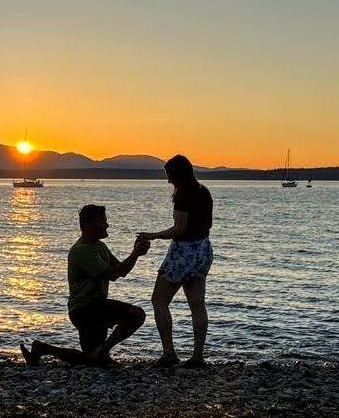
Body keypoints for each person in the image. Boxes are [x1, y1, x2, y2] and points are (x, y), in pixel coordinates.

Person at [20, 204, 150, 366]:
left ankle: (42, 348)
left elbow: (120, 273)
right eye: (102, 222)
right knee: (136, 315)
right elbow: (112, 274)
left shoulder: (100, 246)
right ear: (88, 225)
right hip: (86, 310)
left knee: (90, 360)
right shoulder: (82, 250)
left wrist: (136, 254)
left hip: (94, 308)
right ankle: (102, 351)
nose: (107, 225)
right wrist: (135, 253)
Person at [138, 154, 214, 368]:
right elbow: (206, 225)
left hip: (184, 253)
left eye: (169, 176)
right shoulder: (204, 192)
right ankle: (198, 357)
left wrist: (152, 235)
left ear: (178, 175)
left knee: (159, 300)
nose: (168, 181)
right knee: (197, 305)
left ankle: (169, 353)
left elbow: (179, 229)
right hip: (203, 250)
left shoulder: (183, 196)